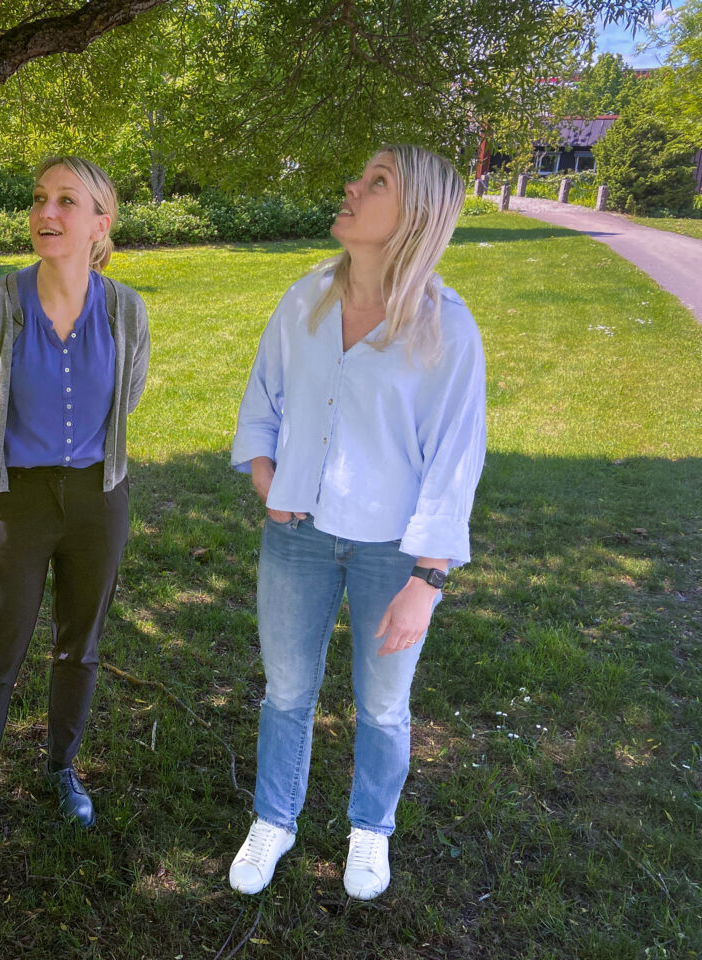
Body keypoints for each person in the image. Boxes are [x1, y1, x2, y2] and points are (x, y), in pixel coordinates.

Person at [226, 144, 485, 900]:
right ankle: (274, 819)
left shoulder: (447, 329)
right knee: (286, 692)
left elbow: (454, 461)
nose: (352, 186)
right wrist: (265, 477)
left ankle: (370, 830)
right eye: (361, 176)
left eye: (378, 183)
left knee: (382, 703)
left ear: (416, 216)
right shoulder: (304, 299)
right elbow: (262, 399)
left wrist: (427, 580)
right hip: (296, 538)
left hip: (392, 555)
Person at [0, 156, 149, 862]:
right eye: (38, 200)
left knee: (79, 644)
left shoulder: (125, 310)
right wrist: (6, 464)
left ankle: (62, 767)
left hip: (99, 496)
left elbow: (128, 398)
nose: (46, 214)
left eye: (67, 201)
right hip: (16, 498)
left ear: (101, 222)